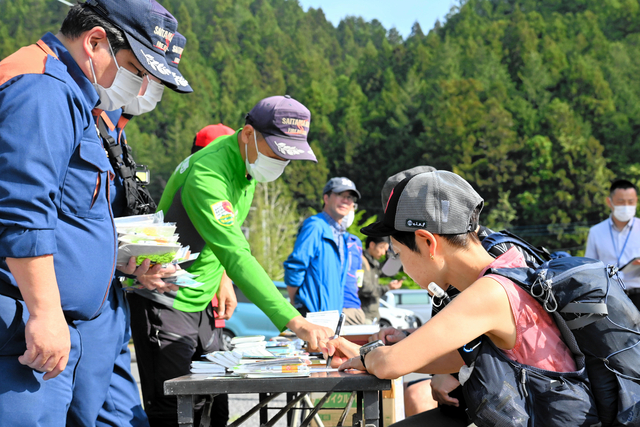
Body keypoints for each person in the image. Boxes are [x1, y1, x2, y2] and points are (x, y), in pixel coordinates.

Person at [0, 0, 178, 425]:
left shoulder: (75, 97)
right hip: (27, 326)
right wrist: (44, 313)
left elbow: (74, 214)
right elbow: (24, 212)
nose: (140, 87)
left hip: (69, 322)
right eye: (138, 70)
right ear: (96, 42)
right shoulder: (40, 90)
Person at [321, 170, 598, 426]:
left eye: (398, 253)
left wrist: (369, 355)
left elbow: (390, 364)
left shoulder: (489, 292)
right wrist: (364, 355)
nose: (401, 266)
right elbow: (455, 357)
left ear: (428, 242)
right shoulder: (507, 269)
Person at [127, 95, 334, 426]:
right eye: (276, 152)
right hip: (165, 299)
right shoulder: (207, 175)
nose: (280, 162)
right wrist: (294, 321)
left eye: (288, 157)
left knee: (216, 407)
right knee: (177, 413)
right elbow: (237, 253)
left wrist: (222, 278)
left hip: (204, 301)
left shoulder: (246, 166)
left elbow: (223, 235)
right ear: (248, 134)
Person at [68, 19, 192, 427]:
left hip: (113, 307)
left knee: (126, 419)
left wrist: (143, 263)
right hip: (76, 313)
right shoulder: (72, 112)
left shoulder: (115, 127)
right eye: (142, 73)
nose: (147, 86)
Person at [284, 177, 361, 316]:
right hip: (311, 313)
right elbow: (295, 266)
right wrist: (296, 302)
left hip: (332, 315)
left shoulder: (342, 235)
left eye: (350, 197)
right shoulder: (315, 226)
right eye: (340, 195)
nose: (345, 200)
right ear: (326, 198)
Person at [585, 179, 640, 310]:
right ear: (609, 202)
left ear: (636, 201)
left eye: (630, 202)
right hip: (609, 298)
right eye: (621, 202)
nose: (626, 206)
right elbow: (589, 269)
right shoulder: (596, 232)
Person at [359, 236, 403, 323]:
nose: (383, 253)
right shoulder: (361, 261)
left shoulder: (373, 263)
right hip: (364, 315)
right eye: (382, 248)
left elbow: (388, 271)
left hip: (373, 315)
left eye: (386, 250)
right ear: (372, 244)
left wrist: (391, 255)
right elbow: (364, 288)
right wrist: (387, 287)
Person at [342, 204, 367, 325]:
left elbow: (358, 277)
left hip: (355, 308)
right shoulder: (323, 237)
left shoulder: (356, 242)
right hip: (334, 308)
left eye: (352, 207)